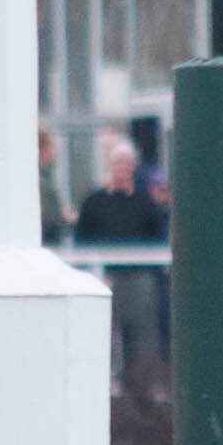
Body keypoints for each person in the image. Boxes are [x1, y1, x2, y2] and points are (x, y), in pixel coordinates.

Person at [71, 139, 170, 375]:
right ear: (110, 165)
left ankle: (141, 387)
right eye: (118, 162)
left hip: (139, 280)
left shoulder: (145, 203)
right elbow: (82, 240)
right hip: (105, 278)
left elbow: (158, 239)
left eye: (127, 163)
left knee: (141, 338)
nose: (122, 167)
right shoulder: (94, 202)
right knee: (107, 337)